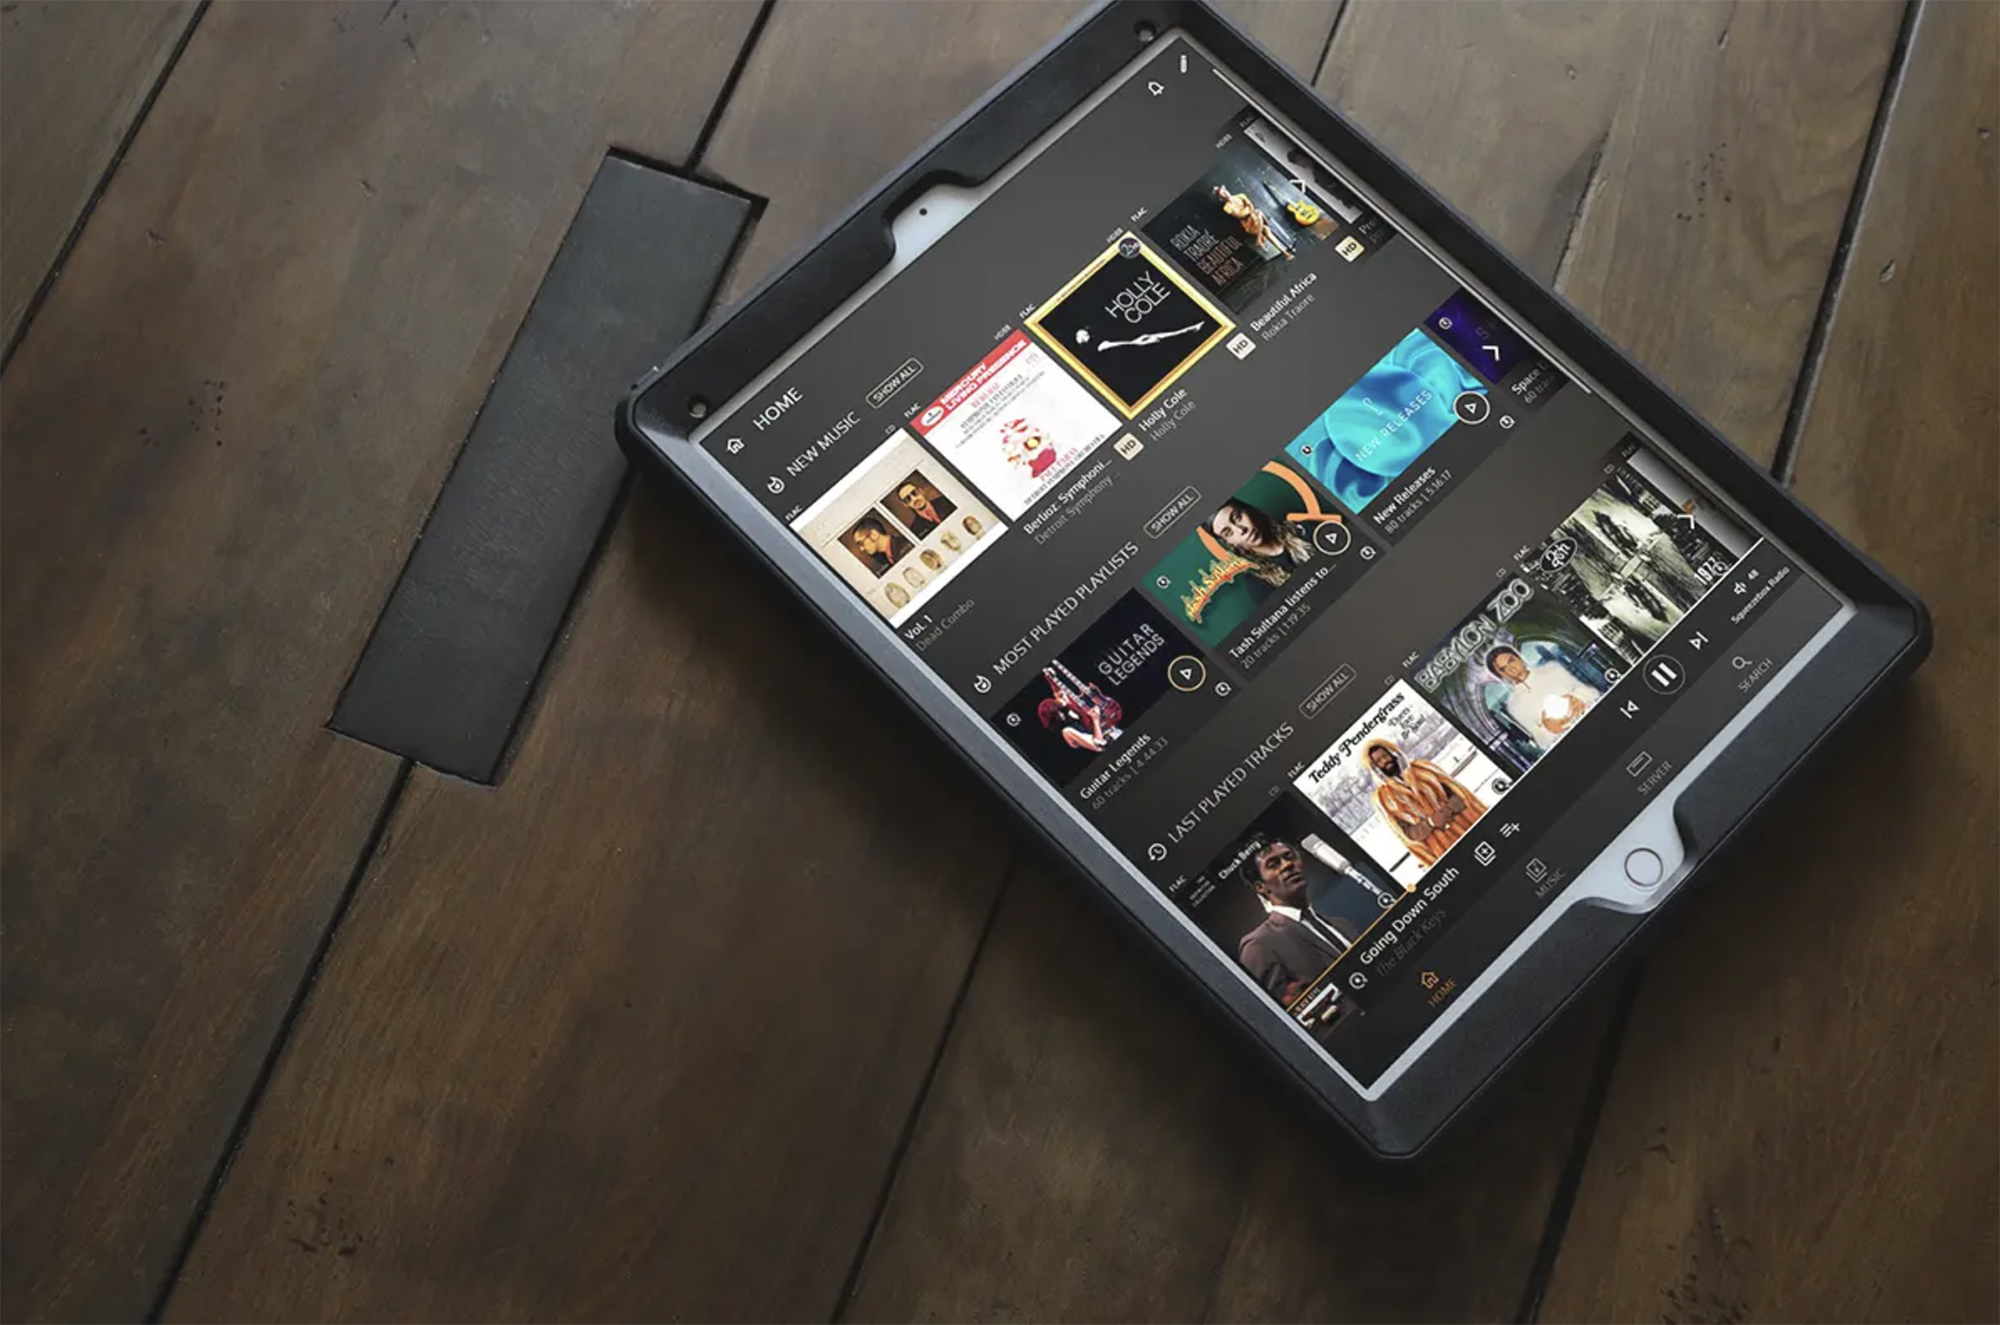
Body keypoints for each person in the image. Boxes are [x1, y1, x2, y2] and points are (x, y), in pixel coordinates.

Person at [1236, 836, 1362, 1002]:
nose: (1287, 865)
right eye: (1273, 864)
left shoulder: (1342, 924)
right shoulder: (1258, 944)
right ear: (1261, 887)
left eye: (1289, 857)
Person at [1363, 737, 1485, 868]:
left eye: (1385, 756)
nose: (1385, 761)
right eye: (1379, 761)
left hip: (1468, 827)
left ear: (1393, 753)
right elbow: (1407, 834)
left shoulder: (1423, 768)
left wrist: (1447, 811)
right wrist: (1430, 823)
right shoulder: (1384, 799)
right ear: (1375, 768)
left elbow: (1458, 793)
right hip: (1443, 851)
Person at [1486, 643, 1603, 753]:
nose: (1511, 669)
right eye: (1503, 669)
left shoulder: (1552, 669)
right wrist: (1550, 728)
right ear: (1500, 675)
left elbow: (1593, 692)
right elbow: (1542, 743)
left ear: (1518, 657)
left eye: (1511, 661)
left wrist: (1578, 698)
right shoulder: (1514, 705)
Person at [1208, 497, 1314, 585]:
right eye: (1228, 532)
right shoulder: (1257, 581)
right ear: (1230, 543)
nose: (1241, 530)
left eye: (1237, 517)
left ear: (1250, 510)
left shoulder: (1303, 529)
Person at [1213, 184, 1294, 260]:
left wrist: (1249, 210)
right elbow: (1240, 215)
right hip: (1248, 224)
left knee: (1263, 224)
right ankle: (1261, 239)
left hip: (1255, 217)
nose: (1225, 193)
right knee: (1260, 216)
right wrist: (1248, 209)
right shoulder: (1227, 208)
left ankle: (1283, 252)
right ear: (1220, 197)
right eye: (1222, 194)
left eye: (1224, 191)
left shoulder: (1240, 196)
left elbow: (1251, 206)